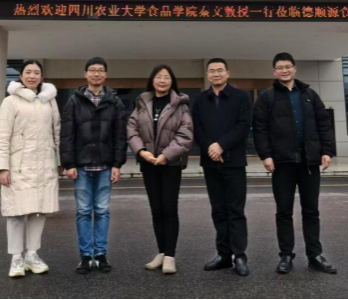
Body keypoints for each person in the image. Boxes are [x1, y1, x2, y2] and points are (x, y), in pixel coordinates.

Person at [253, 52, 337, 275]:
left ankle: (315, 255)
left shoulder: (309, 94)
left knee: (311, 210)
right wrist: (266, 155)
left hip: (309, 162)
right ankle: (286, 255)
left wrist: (327, 151)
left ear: (294, 68)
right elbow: (260, 128)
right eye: (280, 67)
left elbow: (324, 123)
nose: (284, 70)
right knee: (284, 211)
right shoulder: (267, 97)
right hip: (282, 163)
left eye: (288, 66)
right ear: (274, 72)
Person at [0, 60, 62, 278]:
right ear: (21, 76)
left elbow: (57, 132)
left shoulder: (49, 101)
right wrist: (2, 167)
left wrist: (59, 160)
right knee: (16, 213)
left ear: (42, 76)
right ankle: (16, 258)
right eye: (28, 72)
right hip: (19, 166)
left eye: (36, 73)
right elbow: (2, 136)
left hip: (45, 165)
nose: (32, 76)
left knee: (38, 211)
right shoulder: (11, 101)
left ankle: (32, 255)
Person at [60, 57, 128, 274]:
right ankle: (85, 256)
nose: (96, 73)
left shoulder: (114, 101)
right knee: (82, 211)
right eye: (92, 70)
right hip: (81, 166)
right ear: (85, 74)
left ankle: (100, 254)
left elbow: (120, 135)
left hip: (105, 166)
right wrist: (69, 163)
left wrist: (117, 164)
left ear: (105, 75)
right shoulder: (74, 101)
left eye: (100, 70)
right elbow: (67, 134)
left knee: (102, 211)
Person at [127, 65, 193, 275]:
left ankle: (170, 255)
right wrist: (142, 151)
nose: (162, 80)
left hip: (170, 163)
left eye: (166, 77)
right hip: (149, 163)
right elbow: (131, 129)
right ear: (152, 80)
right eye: (158, 76)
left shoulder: (180, 105)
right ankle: (161, 252)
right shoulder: (142, 102)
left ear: (172, 81)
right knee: (156, 209)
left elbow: (185, 134)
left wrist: (166, 155)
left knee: (169, 209)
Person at [191, 58, 252, 277]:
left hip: (234, 162)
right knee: (218, 209)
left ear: (227, 73)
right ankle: (224, 254)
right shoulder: (200, 100)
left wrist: (221, 146)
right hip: (210, 162)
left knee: (235, 210)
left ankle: (240, 256)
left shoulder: (241, 97)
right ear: (207, 75)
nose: (216, 74)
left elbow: (243, 126)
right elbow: (197, 128)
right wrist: (211, 148)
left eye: (220, 70)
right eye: (212, 71)